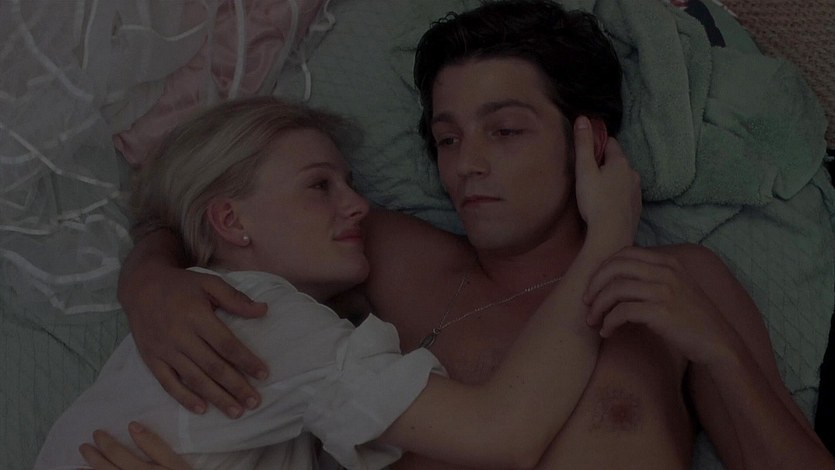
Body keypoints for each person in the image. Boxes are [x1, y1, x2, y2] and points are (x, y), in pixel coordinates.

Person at [107, 1, 835, 469]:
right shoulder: (385, 253)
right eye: (447, 138)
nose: (467, 165)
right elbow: (202, 213)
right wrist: (151, 278)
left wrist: (719, 350)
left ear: (590, 141)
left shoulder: (681, 283)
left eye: (505, 131)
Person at [36, 96, 641, 470]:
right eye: (319, 185)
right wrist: (610, 233)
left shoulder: (208, 315)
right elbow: (503, 432)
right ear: (231, 220)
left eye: (348, 182)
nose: (357, 205)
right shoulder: (263, 316)